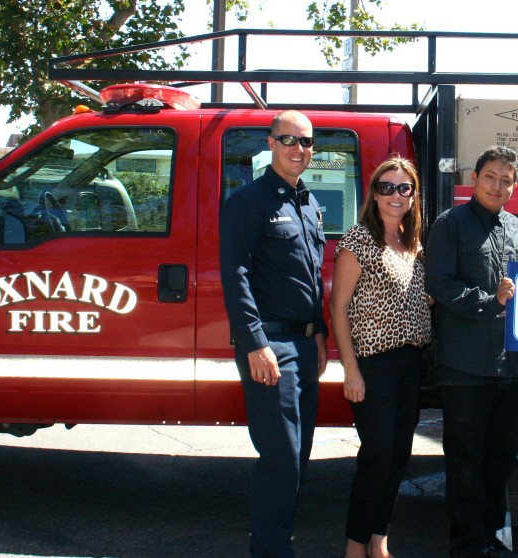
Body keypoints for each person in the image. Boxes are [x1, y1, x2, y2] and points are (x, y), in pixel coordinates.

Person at [220, 110, 328, 558]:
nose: (297, 149)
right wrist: (255, 343)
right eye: (287, 140)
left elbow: (311, 276)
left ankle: (278, 540)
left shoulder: (309, 203)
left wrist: (319, 334)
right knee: (281, 460)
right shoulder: (249, 201)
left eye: (304, 142)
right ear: (270, 143)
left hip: (304, 344)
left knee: (298, 459)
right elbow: (235, 274)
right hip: (271, 345)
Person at [425, 145, 518, 558]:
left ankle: (491, 536)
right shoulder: (449, 225)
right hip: (466, 366)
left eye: (507, 180)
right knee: (466, 462)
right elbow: (440, 283)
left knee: (501, 460)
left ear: (515, 185)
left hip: (513, 367)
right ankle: (467, 544)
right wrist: (491, 301)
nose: (498, 185)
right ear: (475, 178)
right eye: (491, 176)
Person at [331, 156, 433, 558]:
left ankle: (380, 540)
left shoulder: (414, 242)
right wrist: (351, 372)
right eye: (386, 187)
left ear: (413, 196)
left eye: (403, 188)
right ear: (373, 193)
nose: (395, 194)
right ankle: (355, 547)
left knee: (398, 457)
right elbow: (338, 307)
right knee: (375, 459)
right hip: (373, 366)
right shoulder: (359, 240)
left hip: (410, 364)